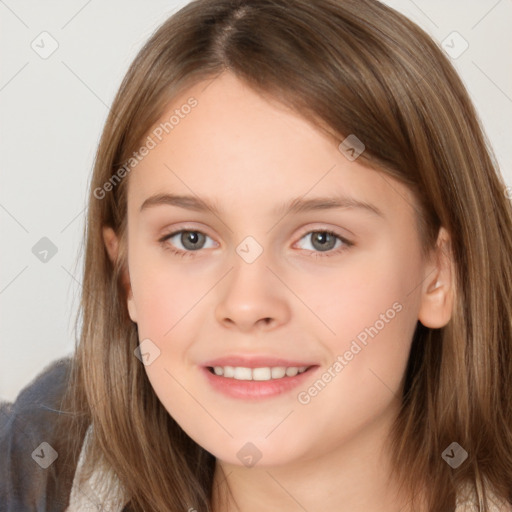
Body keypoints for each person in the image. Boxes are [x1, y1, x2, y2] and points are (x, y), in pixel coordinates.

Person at [1, 0, 512, 510]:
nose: (247, 305)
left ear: (440, 274)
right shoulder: (39, 461)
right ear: (126, 276)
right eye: (190, 238)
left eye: (321, 239)